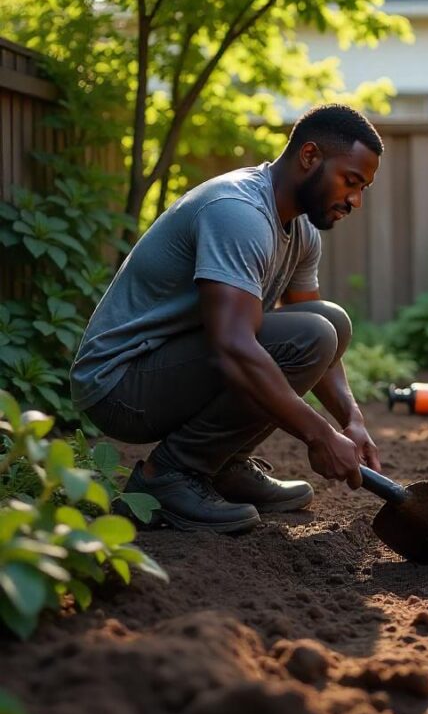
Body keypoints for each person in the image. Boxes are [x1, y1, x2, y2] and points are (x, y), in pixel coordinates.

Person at [70, 104, 385, 534]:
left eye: (363, 188)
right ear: (309, 156)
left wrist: (351, 419)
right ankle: (170, 476)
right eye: (351, 182)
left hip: (172, 366)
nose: (355, 201)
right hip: (120, 383)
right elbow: (233, 348)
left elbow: (321, 341)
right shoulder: (239, 211)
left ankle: (224, 466)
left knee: (330, 322)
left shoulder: (301, 231)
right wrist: (319, 435)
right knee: (310, 335)